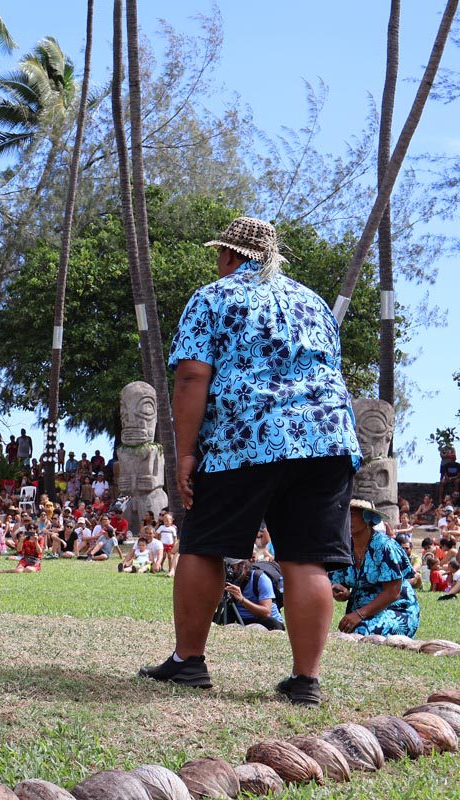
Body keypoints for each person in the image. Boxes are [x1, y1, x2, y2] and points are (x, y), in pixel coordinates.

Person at [140, 216, 362, 707]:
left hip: (246, 437)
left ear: (227, 255)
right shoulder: (314, 302)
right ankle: (305, 681)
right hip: (325, 440)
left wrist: (185, 452)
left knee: (205, 546)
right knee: (306, 559)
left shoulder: (213, 297)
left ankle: (189, 662)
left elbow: (192, 377)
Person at [330, 500, 420, 637]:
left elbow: (393, 592)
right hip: (359, 613)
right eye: (344, 515)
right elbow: (341, 584)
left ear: (368, 518)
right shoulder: (344, 548)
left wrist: (359, 614)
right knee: (353, 632)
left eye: (352, 515)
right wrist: (342, 593)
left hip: (397, 609)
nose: (346, 519)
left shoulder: (385, 547)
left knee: (361, 631)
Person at [221, 558, 285, 630]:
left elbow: (266, 613)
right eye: (226, 567)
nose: (229, 571)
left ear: (242, 565)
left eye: (232, 567)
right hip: (243, 619)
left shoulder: (260, 578)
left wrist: (242, 599)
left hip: (266, 621)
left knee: (264, 625)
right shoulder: (231, 579)